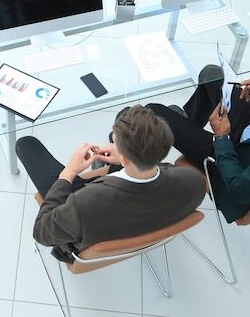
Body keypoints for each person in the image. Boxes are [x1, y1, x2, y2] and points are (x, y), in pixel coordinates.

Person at [16, 105, 206, 263]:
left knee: (25, 144)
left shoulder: (82, 204)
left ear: (124, 159)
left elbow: (41, 232)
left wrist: (68, 174)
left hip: (91, 209)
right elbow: (166, 170)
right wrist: (126, 159)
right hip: (137, 210)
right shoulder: (194, 181)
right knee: (125, 113)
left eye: (114, 143)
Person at [147, 64, 250, 222]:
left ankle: (130, 147)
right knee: (212, 75)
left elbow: (239, 190)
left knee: (151, 113)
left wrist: (222, 138)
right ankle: (187, 122)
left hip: (236, 160)